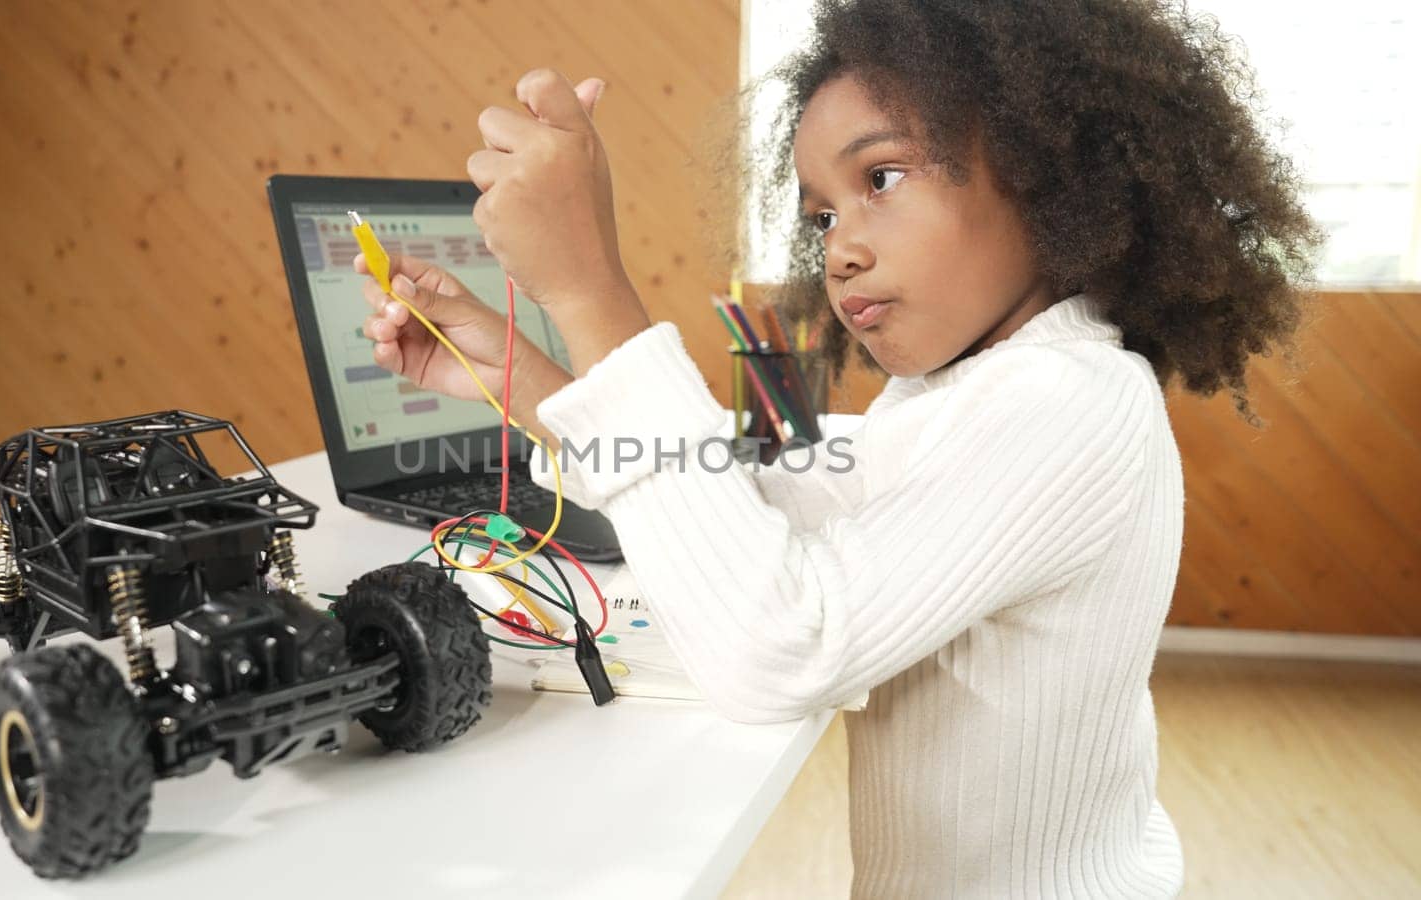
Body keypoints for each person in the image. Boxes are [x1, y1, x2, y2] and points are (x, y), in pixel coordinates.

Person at [354, 1, 1321, 895]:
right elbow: (745, 503)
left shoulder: (1075, 400)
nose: (840, 248)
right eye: (821, 214)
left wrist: (589, 286)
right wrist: (529, 381)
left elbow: (780, 648)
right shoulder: (958, 391)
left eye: (881, 179)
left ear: (1043, 170)